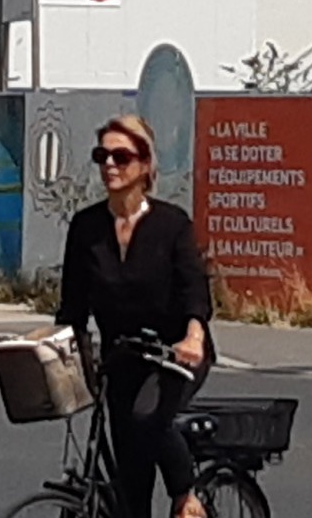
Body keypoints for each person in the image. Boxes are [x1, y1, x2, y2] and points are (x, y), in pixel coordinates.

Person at [45, 115, 214, 518]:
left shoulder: (171, 224)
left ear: (144, 166)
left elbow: (195, 291)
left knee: (147, 417)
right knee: (128, 482)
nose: (110, 165)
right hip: (121, 358)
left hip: (172, 357)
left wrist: (193, 338)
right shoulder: (86, 227)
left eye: (121, 157)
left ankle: (185, 493)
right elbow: (72, 306)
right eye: (102, 155)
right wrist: (53, 348)